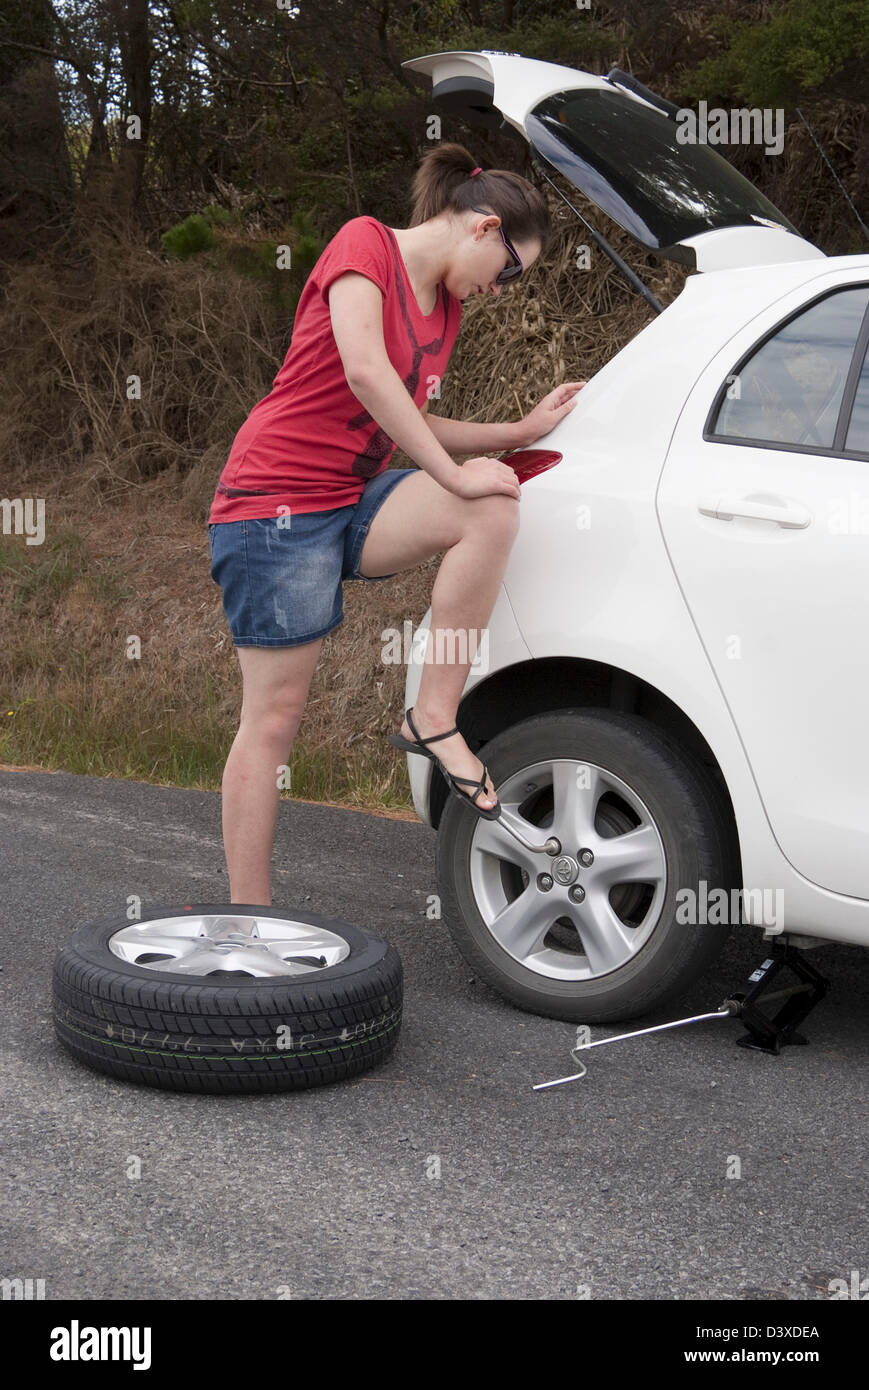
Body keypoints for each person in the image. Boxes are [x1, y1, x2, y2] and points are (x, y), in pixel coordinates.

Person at [208, 142, 585, 905]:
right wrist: (445, 471)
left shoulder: (443, 308)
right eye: (510, 271)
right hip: (273, 505)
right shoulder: (363, 245)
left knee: (493, 503)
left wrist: (512, 431)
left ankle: (432, 714)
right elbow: (366, 374)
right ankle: (250, 917)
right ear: (483, 229)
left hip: (354, 497)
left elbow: (413, 416)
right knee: (274, 720)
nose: (503, 291)